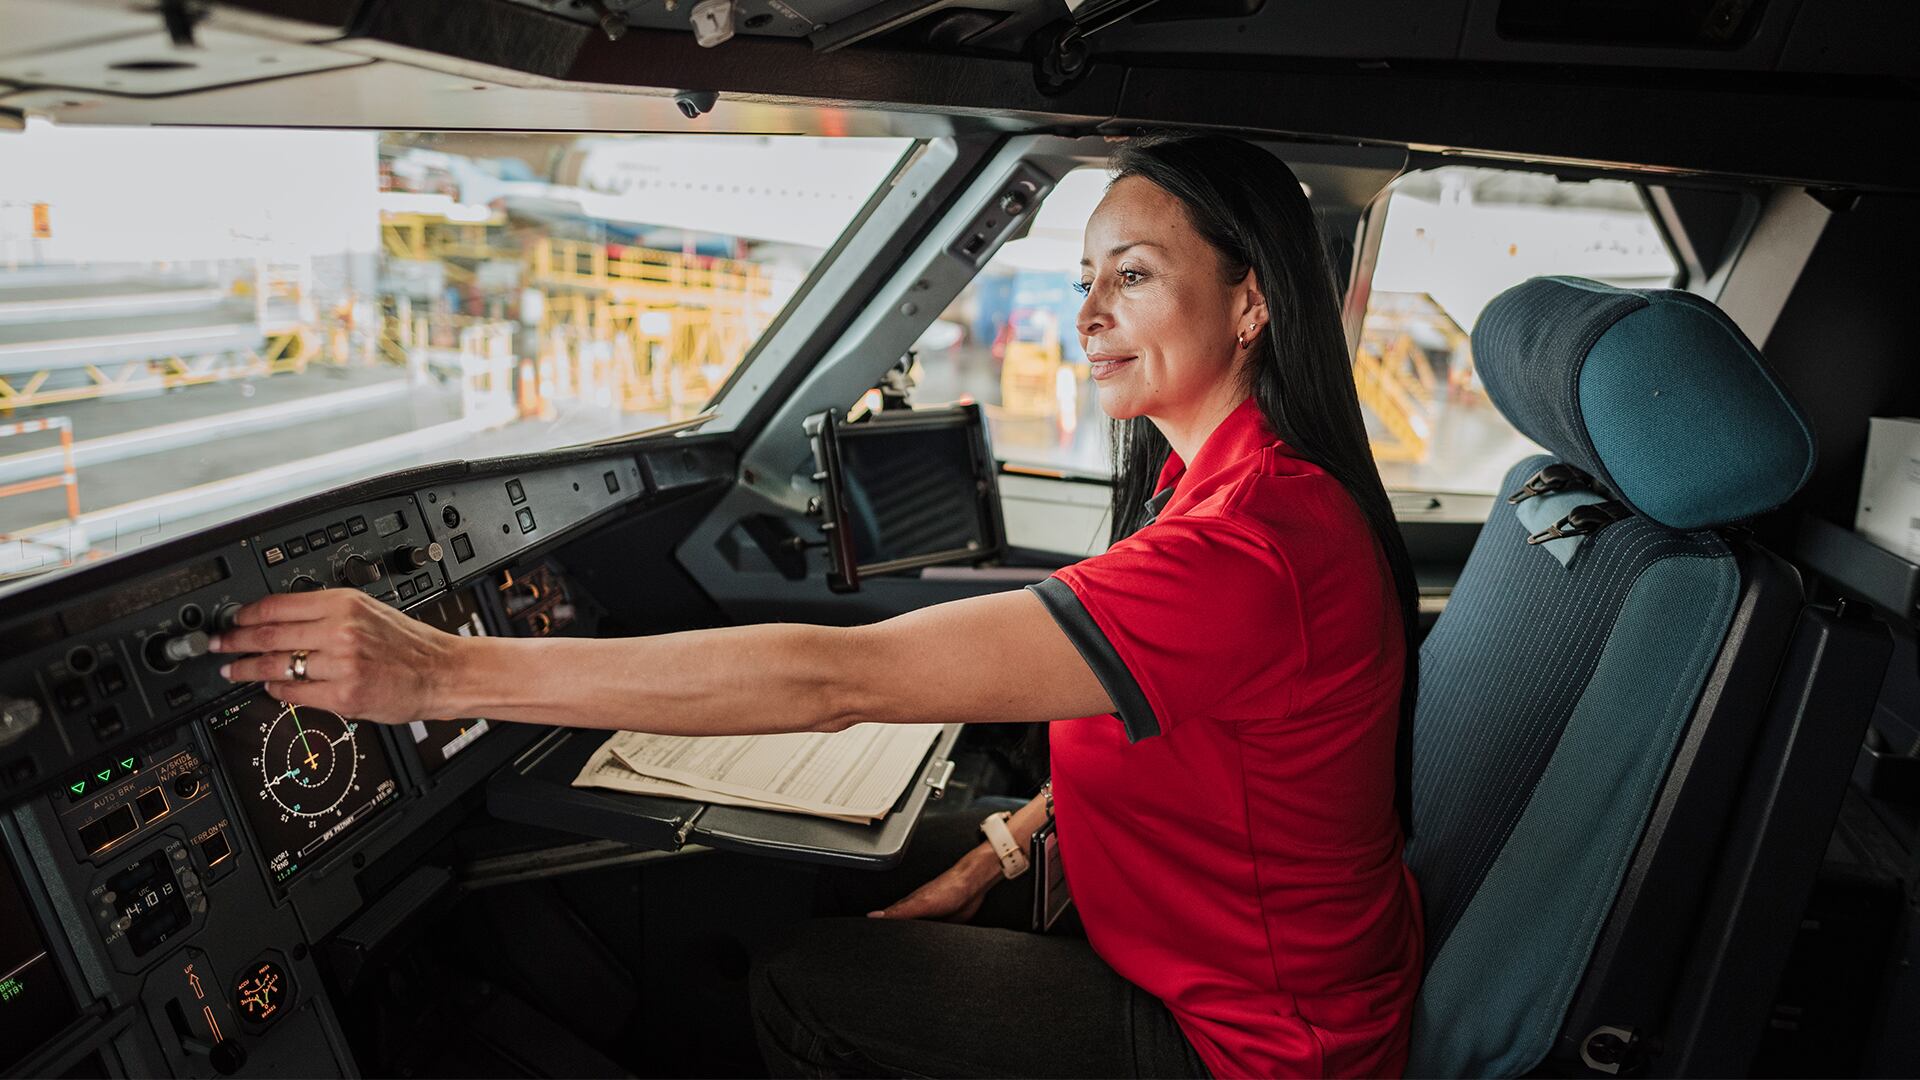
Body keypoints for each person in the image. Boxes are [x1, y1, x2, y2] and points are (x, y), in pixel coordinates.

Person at [210, 133, 1424, 1078]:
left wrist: (439, 674)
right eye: (1085, 277)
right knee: (832, 879)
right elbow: (1182, 747)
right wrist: (1002, 851)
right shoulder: (1229, 491)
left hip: (1245, 1048)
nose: (1089, 312)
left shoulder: (1248, 546)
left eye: (1136, 276)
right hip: (1197, 950)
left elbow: (833, 680)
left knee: (805, 985)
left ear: (1252, 302)